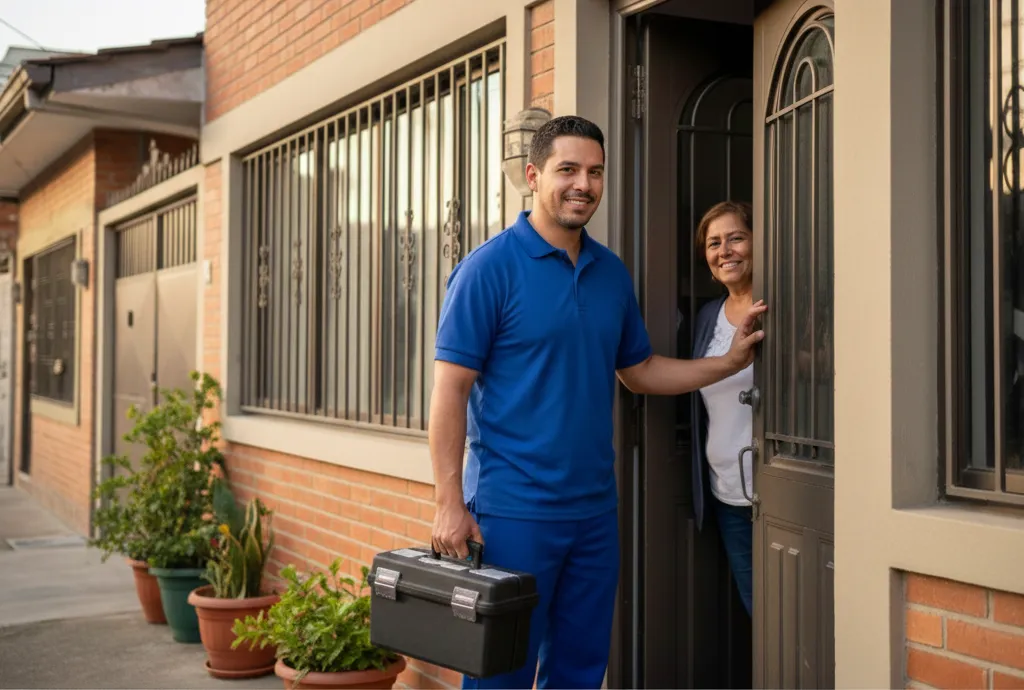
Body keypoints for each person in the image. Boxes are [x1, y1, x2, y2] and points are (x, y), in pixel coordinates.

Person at [428, 116, 766, 689]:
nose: (583, 183)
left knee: (581, 670)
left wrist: (729, 364)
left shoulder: (611, 273)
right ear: (534, 176)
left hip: (593, 512)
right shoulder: (488, 270)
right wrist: (447, 501)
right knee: (501, 674)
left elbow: (640, 371)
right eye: (568, 170)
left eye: (595, 172)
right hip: (511, 513)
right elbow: (450, 390)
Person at [690, 200, 756, 617]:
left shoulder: (780, 305)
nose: (725, 250)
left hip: (780, 491)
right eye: (714, 243)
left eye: (736, 238)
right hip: (728, 494)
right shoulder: (707, 316)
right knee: (758, 609)